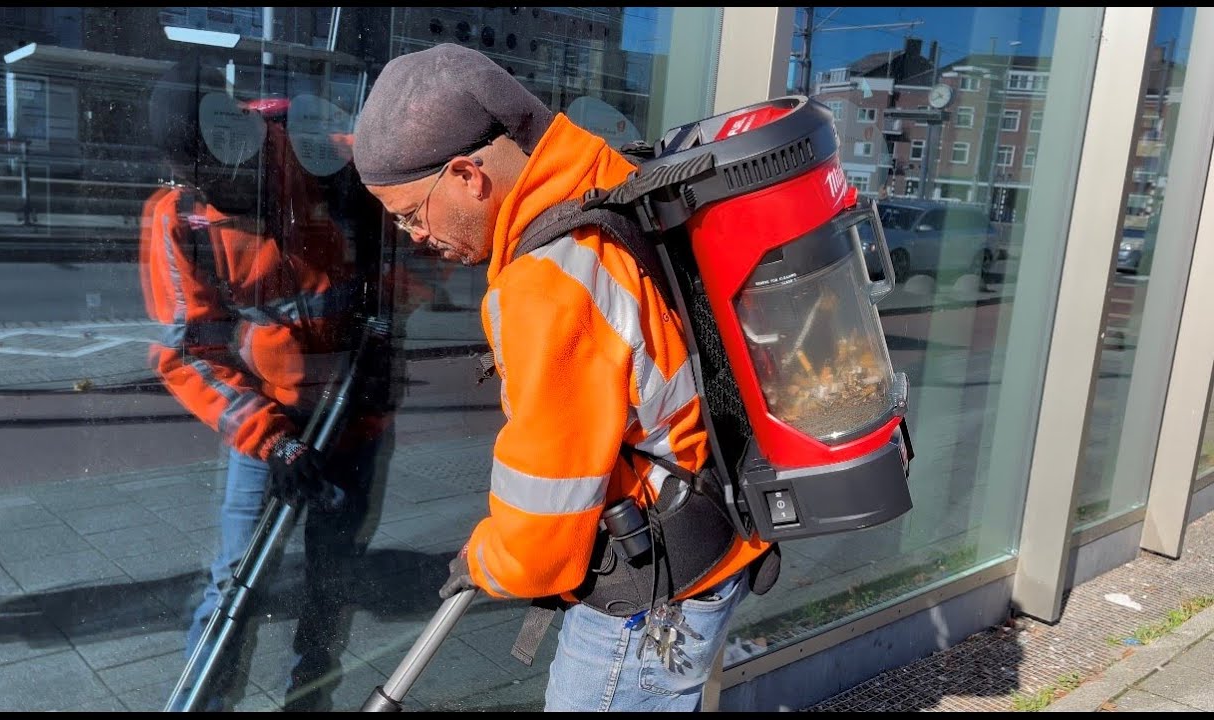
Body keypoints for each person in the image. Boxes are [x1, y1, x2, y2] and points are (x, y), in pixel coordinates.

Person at [351, 43, 776, 712]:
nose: (411, 236)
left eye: (409, 214)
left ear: (466, 174)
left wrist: (488, 559)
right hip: (714, 528)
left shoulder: (547, 285)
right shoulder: (607, 179)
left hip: (655, 586)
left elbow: (542, 538)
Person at [140, 58, 393, 712]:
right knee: (235, 582)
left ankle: (310, 703)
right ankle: (203, 702)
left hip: (353, 417)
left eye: (221, 170)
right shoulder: (179, 219)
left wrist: (380, 339)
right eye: (199, 176)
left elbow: (414, 237)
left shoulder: (320, 159)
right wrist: (270, 441)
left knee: (330, 582)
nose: (217, 186)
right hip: (271, 423)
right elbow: (190, 354)